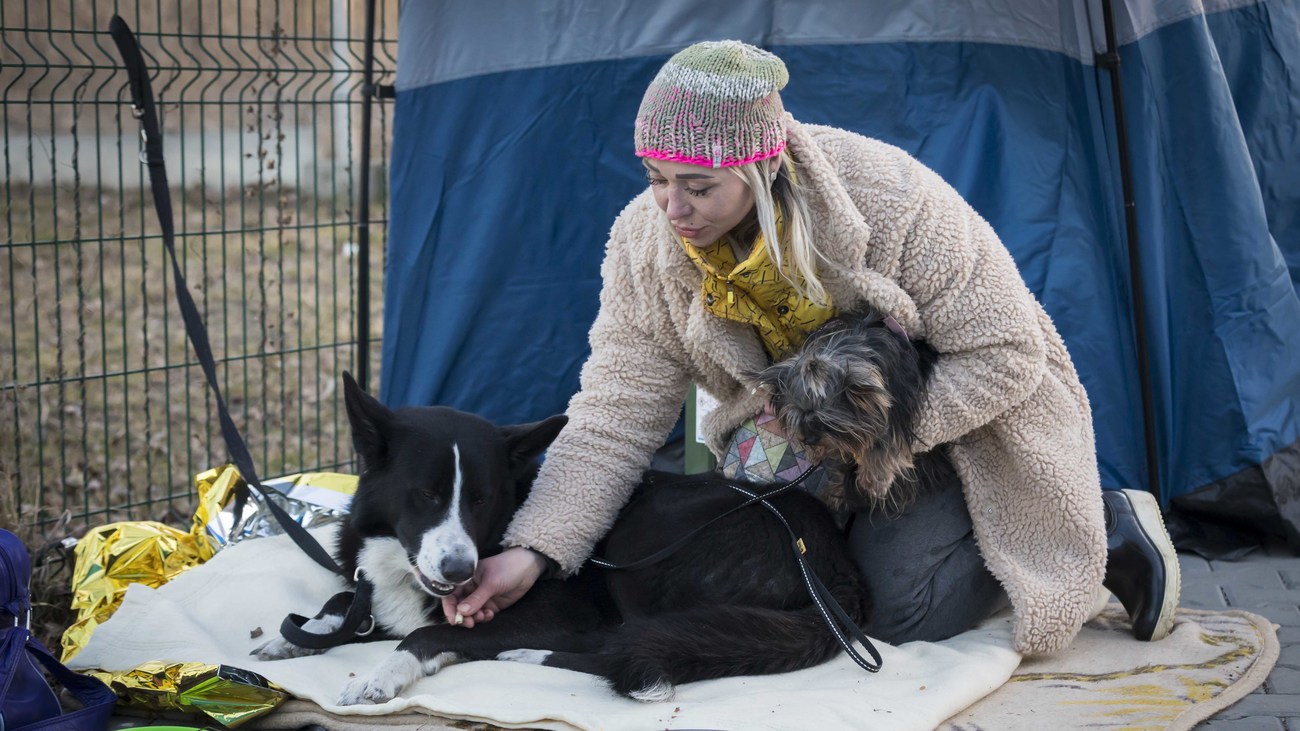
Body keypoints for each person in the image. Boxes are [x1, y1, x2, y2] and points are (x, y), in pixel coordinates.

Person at [443, 40, 1179, 655]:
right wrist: (536, 549)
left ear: (760, 168)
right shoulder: (646, 243)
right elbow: (613, 416)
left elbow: (1008, 354)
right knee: (796, 587)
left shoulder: (892, 198)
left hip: (941, 425)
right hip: (774, 427)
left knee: (897, 616)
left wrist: (853, 438)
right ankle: (846, 514)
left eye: (697, 185)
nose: (672, 208)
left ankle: (1097, 524)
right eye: (657, 178)